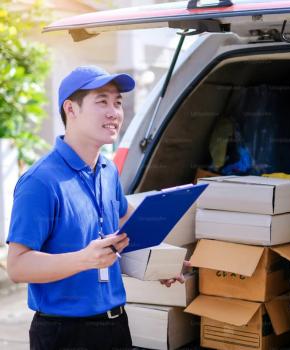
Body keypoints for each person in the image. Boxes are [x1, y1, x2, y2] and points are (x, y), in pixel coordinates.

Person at [6, 65, 189, 350]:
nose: (114, 112)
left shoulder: (107, 169)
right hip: (63, 333)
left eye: (117, 103)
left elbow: (127, 219)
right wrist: (85, 259)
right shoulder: (40, 181)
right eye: (101, 101)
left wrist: (160, 260)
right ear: (71, 109)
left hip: (116, 325)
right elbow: (17, 266)